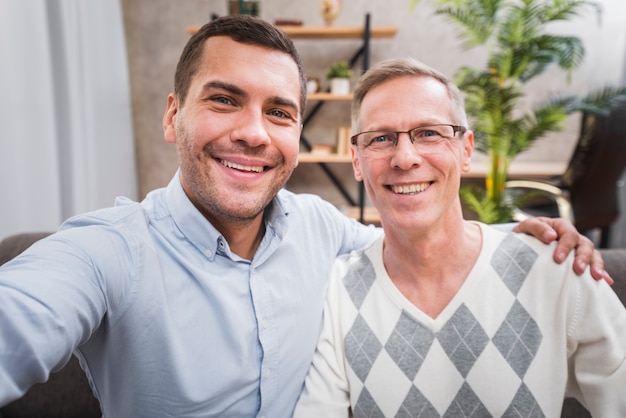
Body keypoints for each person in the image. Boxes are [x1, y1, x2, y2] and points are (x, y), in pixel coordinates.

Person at [0, 15, 609, 418]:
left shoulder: (320, 227)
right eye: (224, 99)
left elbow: (418, 236)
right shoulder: (107, 251)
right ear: (172, 116)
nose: (252, 133)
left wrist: (526, 240)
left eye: (280, 112)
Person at [293, 57, 626, 417]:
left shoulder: (556, 268)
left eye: (429, 133)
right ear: (357, 161)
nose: (405, 158)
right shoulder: (336, 292)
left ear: (465, 150)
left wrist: (518, 245)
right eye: (381, 138)